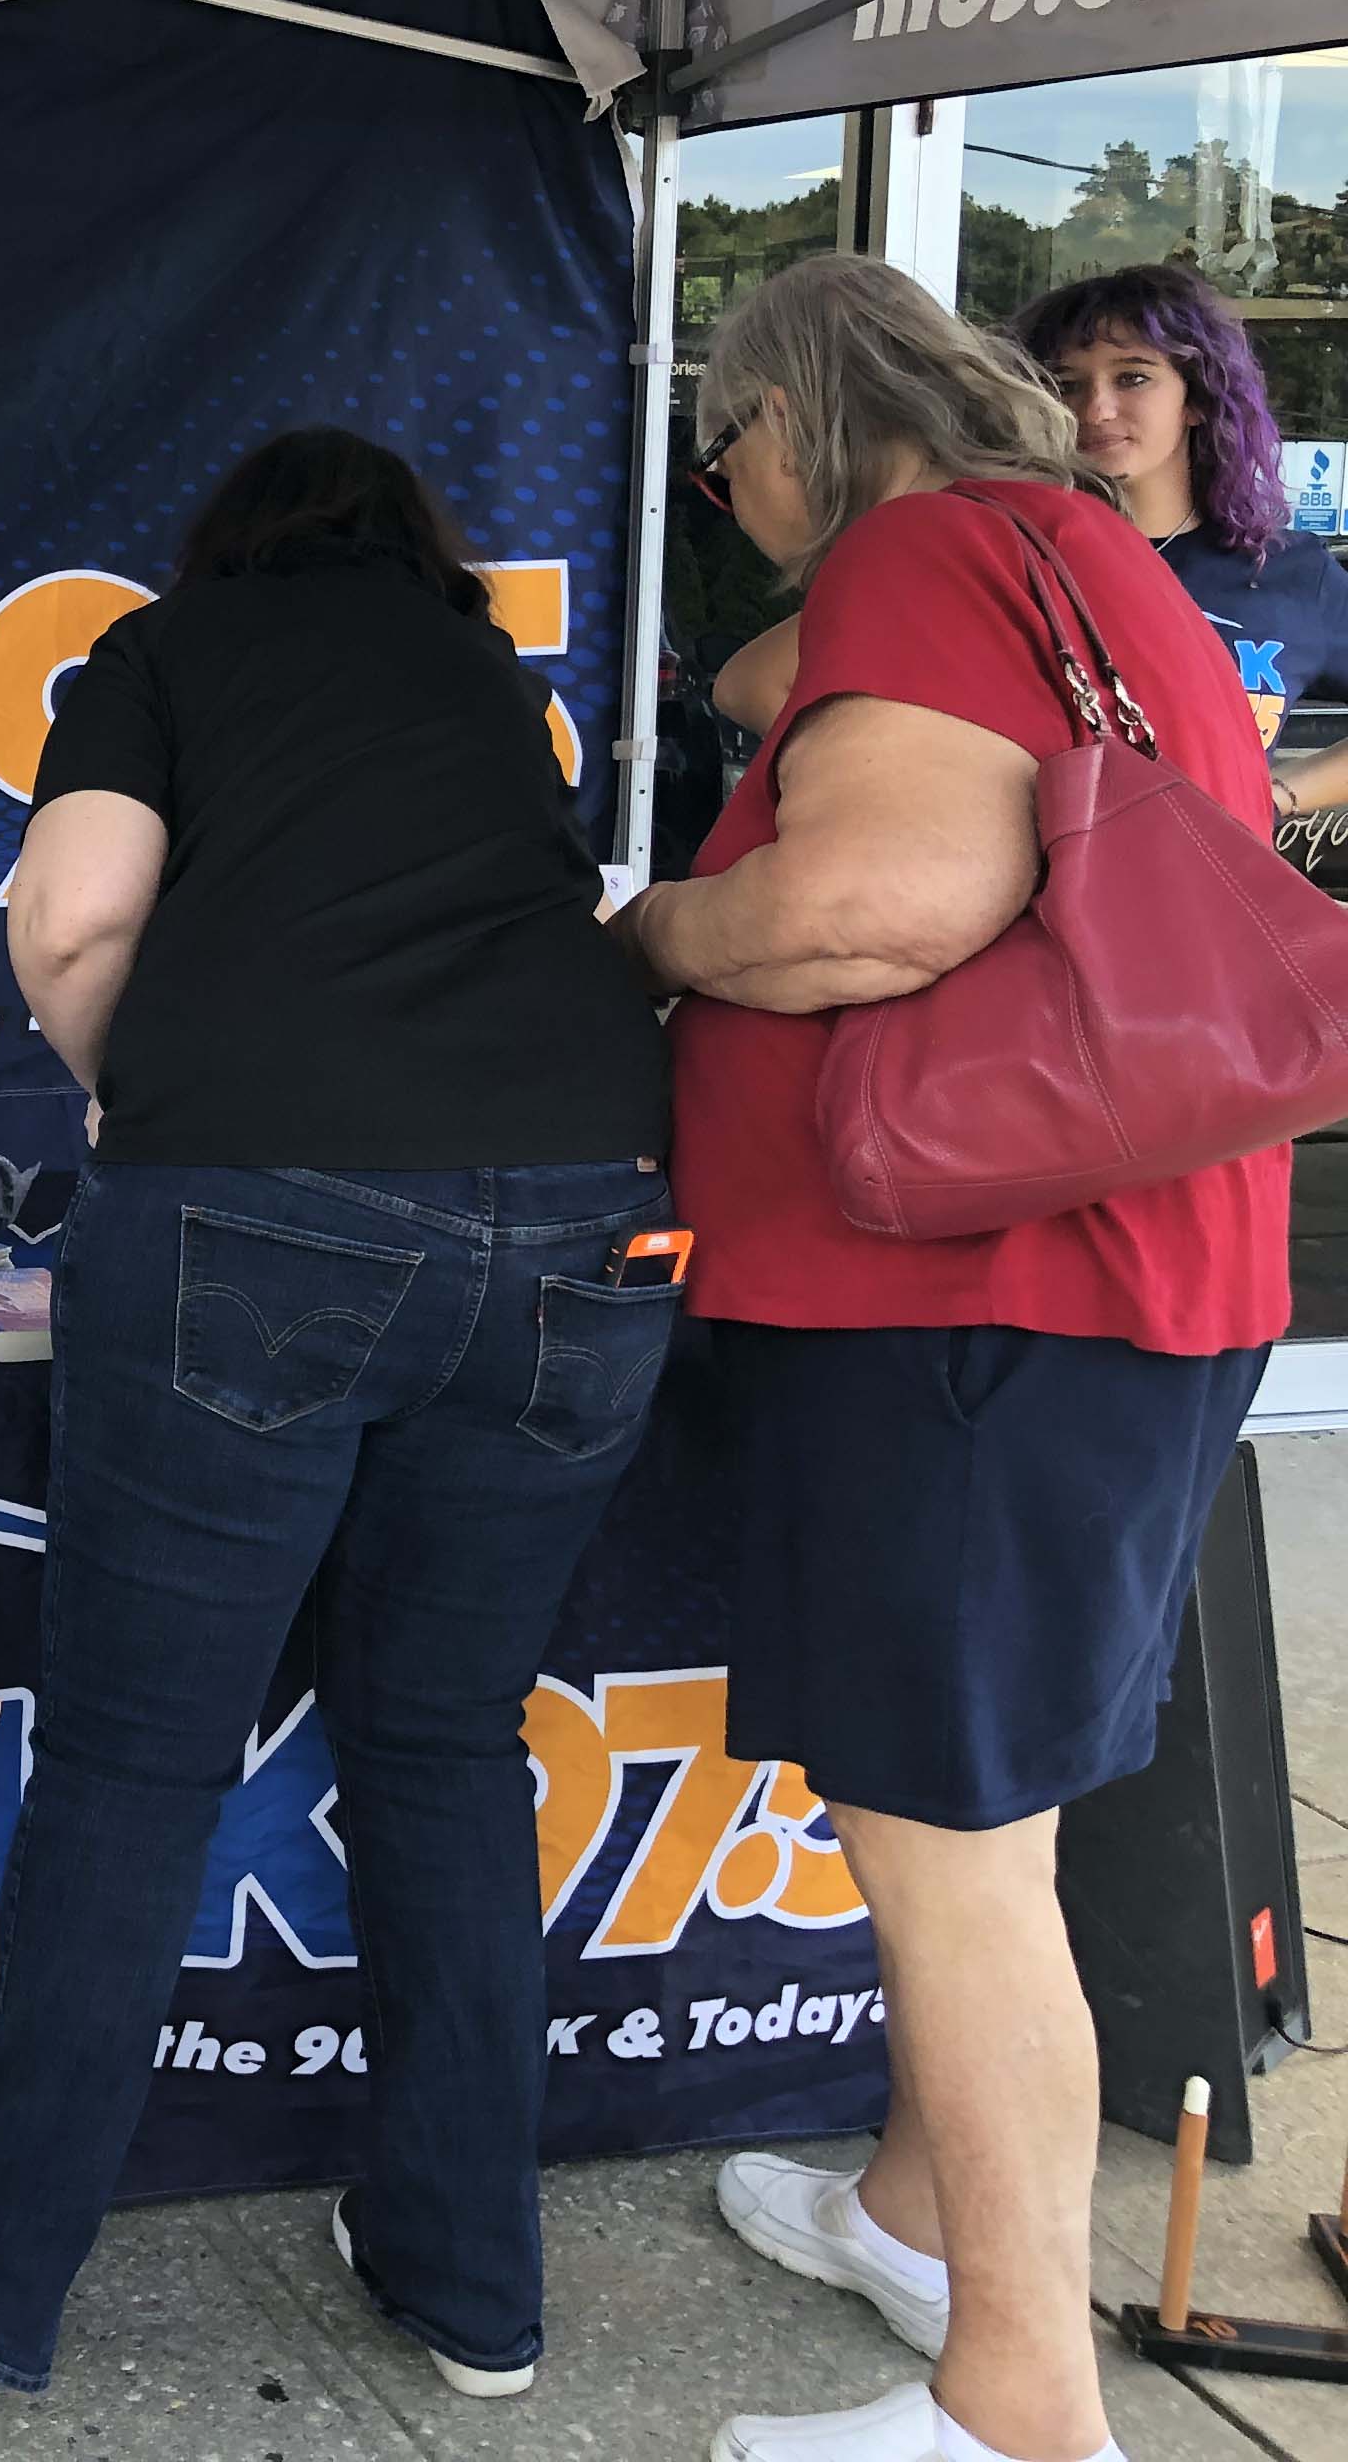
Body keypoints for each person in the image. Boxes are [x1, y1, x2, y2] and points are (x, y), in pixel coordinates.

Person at [0, 427, 675, 2404]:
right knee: (446, 1749)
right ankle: (471, 2287)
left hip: (261, 1210)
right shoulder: (487, 678)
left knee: (135, 1763)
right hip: (588, 1214)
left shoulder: (168, 650)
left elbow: (70, 922)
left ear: (226, 543)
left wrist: (146, 1090)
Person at [612, 254, 1282, 2462]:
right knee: (986, 1806)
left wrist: (654, 932)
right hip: (1110, 1280)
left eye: (727, 443)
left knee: (953, 1850)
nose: (725, 487)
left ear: (807, 412)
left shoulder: (923, 553)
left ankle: (1018, 2401)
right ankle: (921, 2212)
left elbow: (868, 905)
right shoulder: (1076, 554)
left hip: (975, 1299)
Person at [710, 262, 1348, 821]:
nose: (1096, 409)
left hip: (1213, 894)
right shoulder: (1012, 543)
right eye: (1066, 384)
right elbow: (752, 684)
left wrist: (1276, 794)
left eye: (1132, 378)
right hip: (1036, 894)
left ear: (1198, 398)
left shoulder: (1289, 572)